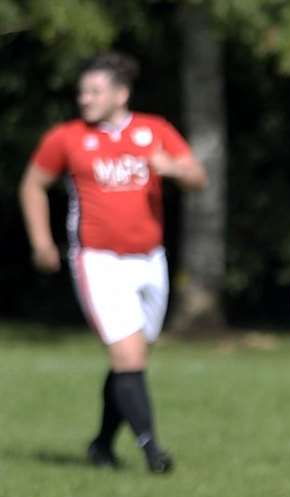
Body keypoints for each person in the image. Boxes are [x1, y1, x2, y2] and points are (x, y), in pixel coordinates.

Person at [19, 52, 206, 473]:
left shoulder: (153, 130)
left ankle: (101, 444)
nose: (84, 98)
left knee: (131, 359)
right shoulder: (66, 138)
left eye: (94, 91)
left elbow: (198, 177)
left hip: (150, 261)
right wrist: (41, 240)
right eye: (82, 91)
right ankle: (152, 450)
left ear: (121, 94)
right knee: (127, 356)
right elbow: (32, 184)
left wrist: (171, 167)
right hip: (98, 260)